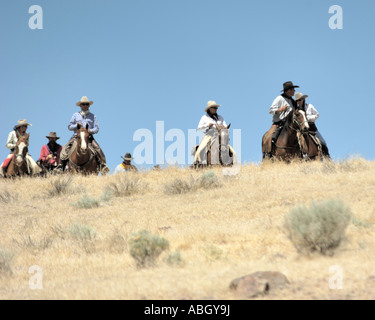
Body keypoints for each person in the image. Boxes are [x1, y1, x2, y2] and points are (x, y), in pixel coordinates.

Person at [57, 96, 109, 173]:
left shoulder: (93, 116)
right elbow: (69, 126)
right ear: (80, 105)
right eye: (83, 104)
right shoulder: (75, 115)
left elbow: (97, 128)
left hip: (88, 137)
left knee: (98, 149)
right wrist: (76, 125)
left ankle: (102, 165)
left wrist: (90, 130)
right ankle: (60, 166)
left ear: (89, 105)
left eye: (87, 104)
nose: (85, 106)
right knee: (65, 149)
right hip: (76, 136)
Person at [267, 81, 299, 154]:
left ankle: (302, 154)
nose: (294, 91)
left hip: (291, 125)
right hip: (279, 123)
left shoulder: (293, 102)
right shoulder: (279, 98)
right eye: (293, 89)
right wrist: (281, 109)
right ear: (288, 90)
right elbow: (271, 110)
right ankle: (269, 154)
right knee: (270, 137)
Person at [295, 92, 330, 158]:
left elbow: (317, 115)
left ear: (303, 99)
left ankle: (327, 158)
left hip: (312, 128)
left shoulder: (309, 106)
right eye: (297, 100)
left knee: (323, 142)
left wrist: (308, 118)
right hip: (301, 130)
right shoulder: (296, 110)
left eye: (300, 100)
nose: (298, 102)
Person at [194, 100, 228, 165]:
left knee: (230, 149)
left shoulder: (220, 118)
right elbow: (199, 127)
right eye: (214, 108)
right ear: (209, 109)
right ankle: (198, 162)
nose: (215, 109)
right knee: (200, 149)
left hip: (220, 135)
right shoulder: (204, 117)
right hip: (209, 135)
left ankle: (231, 161)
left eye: (216, 108)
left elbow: (225, 126)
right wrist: (208, 125)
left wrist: (224, 127)